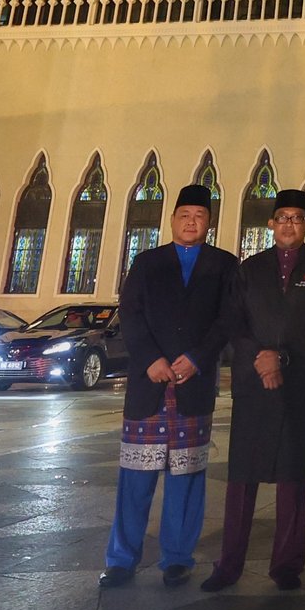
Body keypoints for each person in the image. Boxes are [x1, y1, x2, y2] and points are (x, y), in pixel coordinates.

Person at [205, 188, 305, 592]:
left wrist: (281, 359)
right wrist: (260, 358)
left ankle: (286, 565)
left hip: (297, 384)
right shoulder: (250, 269)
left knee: (291, 477)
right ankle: (228, 563)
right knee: (242, 477)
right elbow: (234, 321)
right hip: (253, 385)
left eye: (297, 218)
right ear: (270, 224)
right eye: (282, 217)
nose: (289, 225)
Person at [101, 185, 237, 589]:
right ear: (173, 219)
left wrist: (198, 358)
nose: (191, 221)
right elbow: (130, 314)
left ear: (209, 221)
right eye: (184, 214)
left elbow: (227, 319)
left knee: (187, 477)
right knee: (135, 479)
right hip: (150, 387)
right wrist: (150, 360)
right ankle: (122, 559)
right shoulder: (147, 263)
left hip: (193, 387)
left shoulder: (225, 265)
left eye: (199, 214)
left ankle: (177, 557)